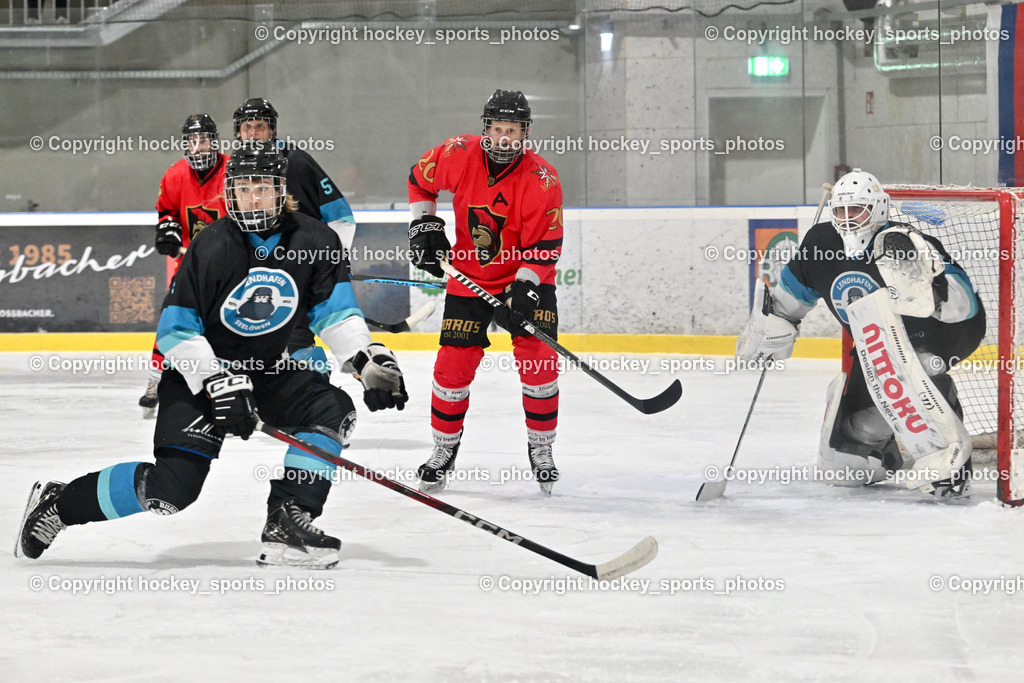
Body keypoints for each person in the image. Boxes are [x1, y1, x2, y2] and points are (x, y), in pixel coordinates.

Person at [16, 143, 408, 568]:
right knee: (170, 494)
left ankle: (288, 519)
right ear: (229, 192)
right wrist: (217, 380)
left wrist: (366, 359)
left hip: (266, 370)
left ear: (282, 190)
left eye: (262, 188)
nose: (251, 198)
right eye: (242, 189)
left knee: (333, 410)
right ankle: (60, 503)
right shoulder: (213, 245)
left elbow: (335, 313)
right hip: (198, 377)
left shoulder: (316, 239)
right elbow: (175, 331)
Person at [736, 169, 985, 499]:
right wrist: (772, 329)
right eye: (841, 211)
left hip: (943, 335)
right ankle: (886, 451)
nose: (848, 219)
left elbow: (962, 307)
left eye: (857, 210)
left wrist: (933, 288)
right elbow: (788, 303)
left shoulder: (904, 242)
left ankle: (948, 458)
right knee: (843, 466)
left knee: (921, 368)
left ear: (879, 209)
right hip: (877, 345)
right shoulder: (821, 244)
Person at [406, 89, 564, 495]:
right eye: (497, 128)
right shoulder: (458, 152)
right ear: (486, 128)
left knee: (540, 363)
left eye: (512, 129)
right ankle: (443, 450)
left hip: (526, 279)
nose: (504, 137)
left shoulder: (541, 178)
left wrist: (524, 290)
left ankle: (541, 448)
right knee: (452, 367)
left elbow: (544, 247)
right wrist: (424, 227)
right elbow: (419, 180)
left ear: (525, 132)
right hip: (468, 277)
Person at [138, 113, 229, 417]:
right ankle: (156, 379)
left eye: (205, 139)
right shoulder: (174, 175)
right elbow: (167, 211)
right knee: (172, 317)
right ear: (185, 145)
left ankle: (232, 379)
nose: (200, 146)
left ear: (215, 141)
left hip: (231, 265)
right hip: (189, 265)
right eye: (193, 141)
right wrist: (168, 229)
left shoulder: (233, 171)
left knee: (226, 323)